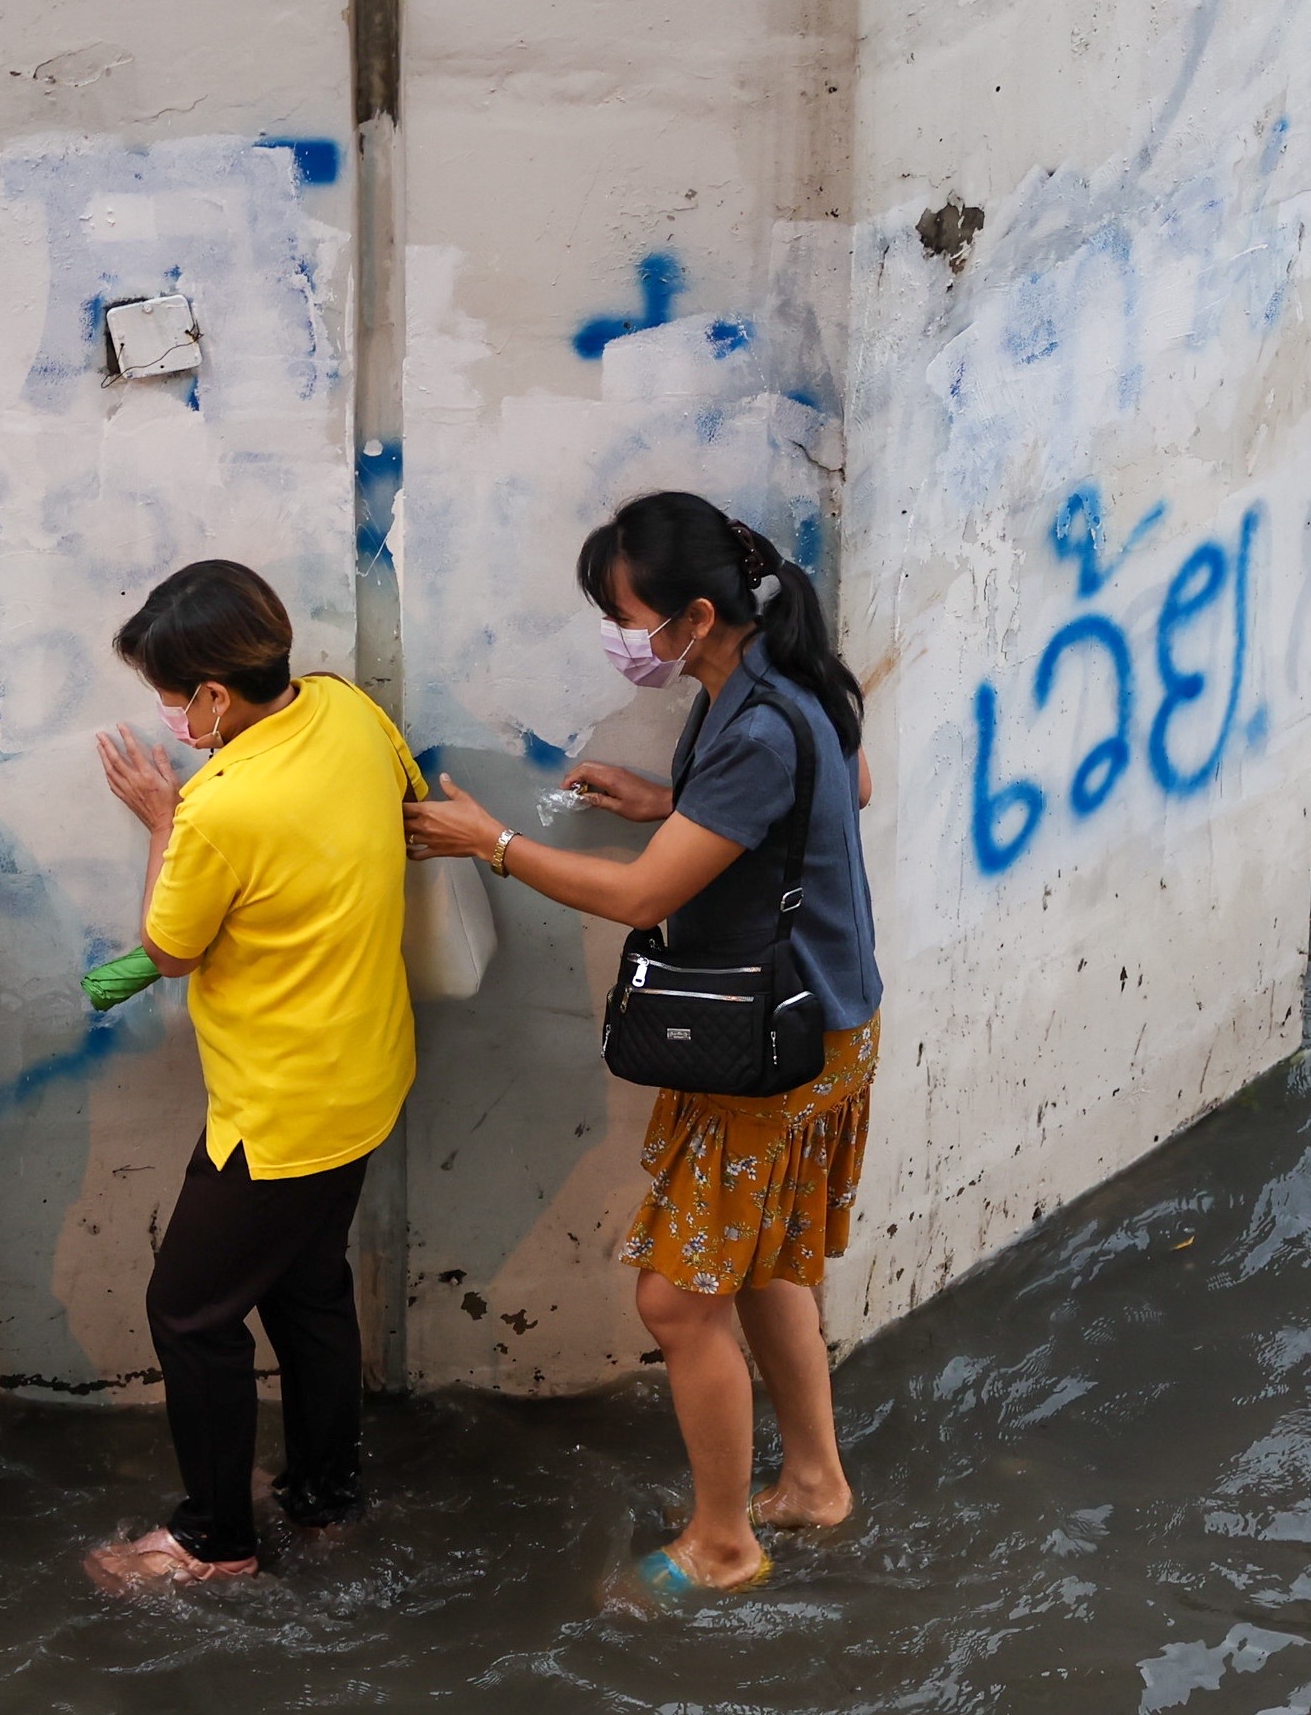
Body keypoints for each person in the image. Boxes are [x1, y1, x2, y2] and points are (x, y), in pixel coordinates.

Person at [404, 491, 881, 1599]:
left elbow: (640, 895)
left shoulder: (755, 717)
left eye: (625, 618)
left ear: (696, 613)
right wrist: (671, 798)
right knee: (763, 1263)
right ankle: (812, 1484)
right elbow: (844, 787)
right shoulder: (773, 675)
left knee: (676, 1300)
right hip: (822, 1020)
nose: (619, 641)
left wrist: (495, 841)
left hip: (775, 1040)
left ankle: (723, 1546)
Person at [85, 561, 426, 1590]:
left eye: (168, 693)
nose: (166, 713)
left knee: (188, 1313)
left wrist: (162, 819)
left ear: (213, 697)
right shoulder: (350, 710)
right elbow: (403, 807)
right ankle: (325, 1499)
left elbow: (167, 945)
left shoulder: (220, 805)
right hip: (367, 1072)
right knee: (308, 1287)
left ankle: (214, 1540)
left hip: (277, 1109)